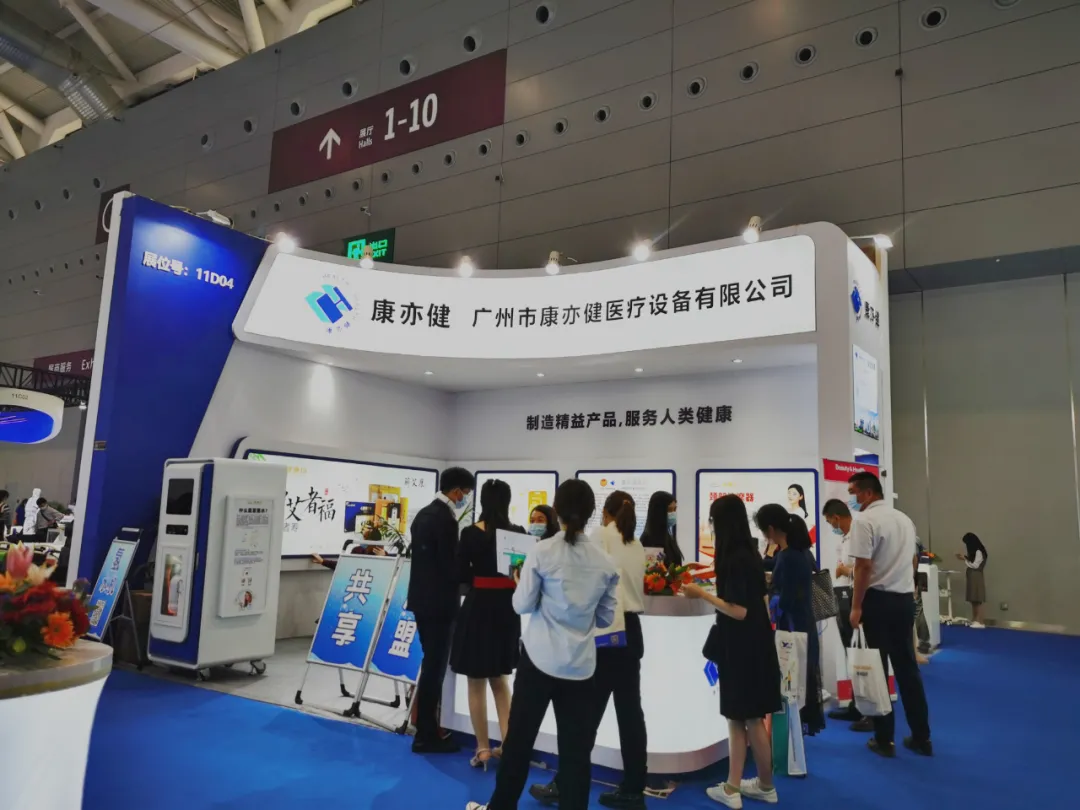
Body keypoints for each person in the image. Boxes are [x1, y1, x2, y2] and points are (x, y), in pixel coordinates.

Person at [467, 479, 618, 810]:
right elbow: (606, 618)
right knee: (576, 753)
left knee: (519, 743)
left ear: (557, 510)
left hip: (538, 661)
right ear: (592, 512)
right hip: (581, 667)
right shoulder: (605, 563)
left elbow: (521, 605)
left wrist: (520, 584)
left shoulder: (542, 551)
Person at [530, 491, 648, 810]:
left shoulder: (600, 536)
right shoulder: (635, 543)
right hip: (632, 632)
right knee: (630, 713)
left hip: (608, 633)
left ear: (605, 513)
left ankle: (563, 784)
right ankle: (634, 788)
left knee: (585, 716)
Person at [683, 495, 781, 809]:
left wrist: (701, 594)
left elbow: (738, 610)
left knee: (740, 718)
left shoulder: (734, 559)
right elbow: (756, 600)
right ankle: (761, 785)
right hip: (757, 643)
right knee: (751, 718)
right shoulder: (748, 553)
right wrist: (708, 576)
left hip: (739, 647)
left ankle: (733, 788)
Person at [848, 471, 933, 758]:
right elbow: (913, 560)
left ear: (868, 493)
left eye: (854, 493)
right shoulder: (904, 519)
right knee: (908, 670)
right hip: (903, 599)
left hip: (877, 601)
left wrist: (856, 606)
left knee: (878, 670)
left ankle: (885, 739)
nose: (852, 499)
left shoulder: (864, 521)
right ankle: (922, 737)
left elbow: (863, 567)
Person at [451, 479, 525, 770]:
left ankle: (482, 748)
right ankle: (509, 746)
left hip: (478, 606)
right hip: (507, 609)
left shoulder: (470, 533)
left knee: (475, 681)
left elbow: (460, 573)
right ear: (507, 501)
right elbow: (523, 573)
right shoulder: (518, 533)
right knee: (501, 680)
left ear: (482, 500)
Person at [408, 466, 475, 755]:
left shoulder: (423, 514)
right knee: (435, 670)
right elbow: (450, 567)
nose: (465, 498)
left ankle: (425, 729)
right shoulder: (446, 520)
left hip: (421, 601)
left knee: (430, 665)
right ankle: (426, 735)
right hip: (439, 605)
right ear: (457, 490)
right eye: (466, 493)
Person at [755, 504, 825, 737]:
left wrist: (771, 598)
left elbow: (786, 598)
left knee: (792, 676)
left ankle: (793, 729)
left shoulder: (788, 556)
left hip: (791, 624)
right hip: (804, 621)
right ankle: (801, 725)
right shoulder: (800, 552)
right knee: (803, 674)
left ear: (770, 529)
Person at [639, 491, 682, 567]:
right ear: (658, 512)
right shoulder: (649, 540)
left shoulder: (667, 536)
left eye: (675, 509)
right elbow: (654, 571)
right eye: (669, 510)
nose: (673, 513)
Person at [957, 532, 988, 628]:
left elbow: (975, 565)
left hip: (976, 576)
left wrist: (964, 559)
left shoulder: (979, 552)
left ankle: (980, 621)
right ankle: (975, 619)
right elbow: (972, 561)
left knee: (978, 598)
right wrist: (966, 558)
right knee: (973, 599)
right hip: (972, 576)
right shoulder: (975, 552)